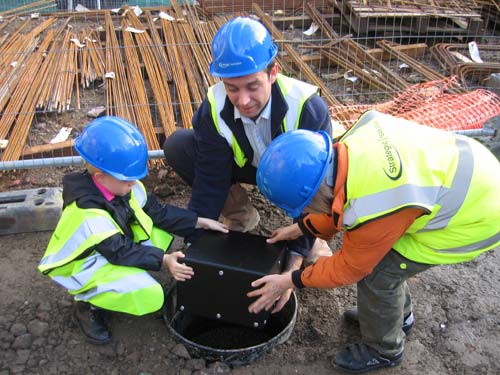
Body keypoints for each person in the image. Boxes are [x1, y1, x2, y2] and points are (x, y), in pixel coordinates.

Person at [248, 110, 500, 373]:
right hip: (472, 170)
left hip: (477, 217)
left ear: (314, 194)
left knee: (379, 274)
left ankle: (384, 348)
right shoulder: (346, 151)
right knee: (385, 265)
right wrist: (300, 228)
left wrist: (290, 280)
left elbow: (350, 268)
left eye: (305, 209)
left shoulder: (376, 204)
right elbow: (334, 205)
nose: (306, 213)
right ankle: (396, 318)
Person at [163, 16, 343, 311]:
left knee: (309, 237)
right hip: (246, 165)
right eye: (232, 88)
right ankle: (241, 217)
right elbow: (209, 181)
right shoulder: (213, 108)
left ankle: (312, 239)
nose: (243, 100)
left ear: (273, 72)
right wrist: (193, 250)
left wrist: (291, 269)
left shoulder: (307, 108)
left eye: (252, 86)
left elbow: (314, 186)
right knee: (179, 145)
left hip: (294, 173)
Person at [38, 116, 228, 345]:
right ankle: (87, 303)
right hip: (84, 266)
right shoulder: (88, 214)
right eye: (128, 181)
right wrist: (164, 260)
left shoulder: (122, 186)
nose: (134, 185)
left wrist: (199, 221)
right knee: (151, 294)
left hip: (111, 248)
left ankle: (122, 281)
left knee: (154, 231)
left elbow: (158, 213)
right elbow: (120, 251)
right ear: (101, 177)